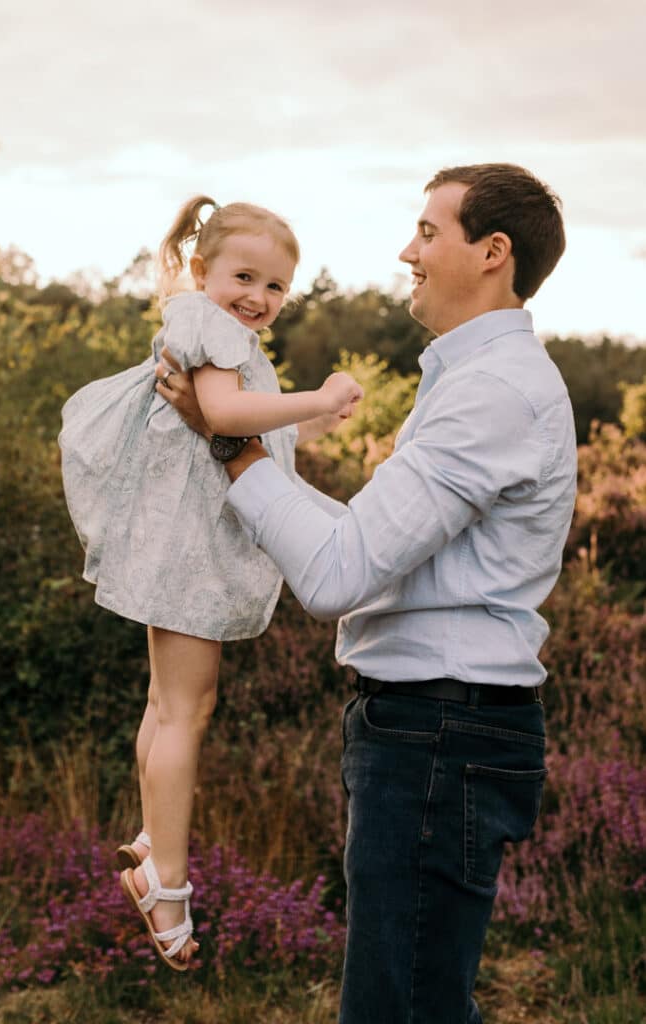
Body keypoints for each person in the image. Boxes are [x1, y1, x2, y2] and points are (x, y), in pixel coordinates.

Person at [156, 164, 577, 1019]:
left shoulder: (490, 391)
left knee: (399, 1008)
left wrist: (229, 448)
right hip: (429, 727)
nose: (406, 252)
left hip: (439, 731)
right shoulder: (469, 381)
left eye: (428, 232)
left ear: (491, 252)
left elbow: (337, 574)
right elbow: (361, 545)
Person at [58, 196, 363, 971]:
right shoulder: (212, 327)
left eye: (275, 287)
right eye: (244, 276)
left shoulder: (201, 317)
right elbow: (223, 412)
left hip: (172, 541)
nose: (258, 298)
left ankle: (153, 836)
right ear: (204, 270)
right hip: (190, 549)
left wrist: (313, 417)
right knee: (188, 711)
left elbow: (247, 415)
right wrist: (322, 397)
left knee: (167, 705)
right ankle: (164, 883)